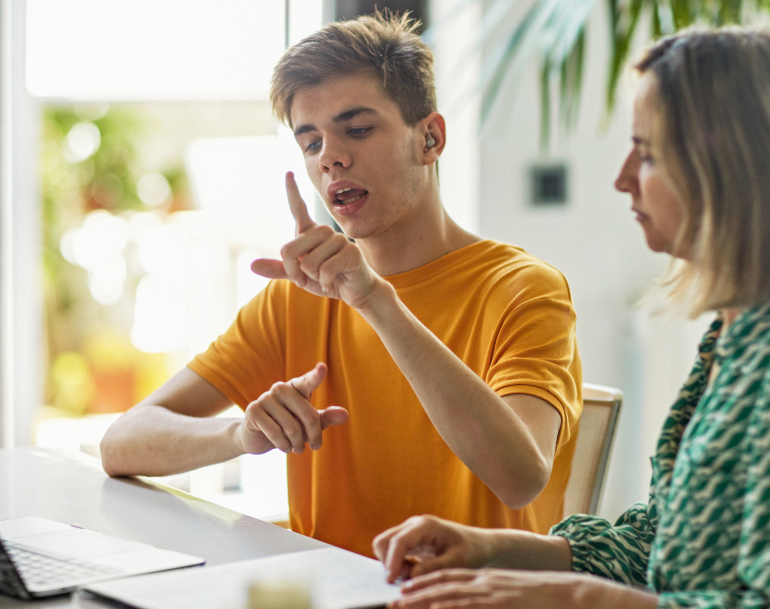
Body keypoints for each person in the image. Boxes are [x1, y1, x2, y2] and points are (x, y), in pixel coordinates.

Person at [373, 27, 770, 608]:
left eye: (651, 154)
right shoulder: (742, 332)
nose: (623, 177)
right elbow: (667, 542)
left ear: (735, 169)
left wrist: (580, 599)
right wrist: (493, 549)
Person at [99, 12, 583, 558]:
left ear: (430, 137)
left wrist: (375, 300)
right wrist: (238, 436)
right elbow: (121, 442)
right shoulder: (296, 297)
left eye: (357, 129)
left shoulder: (523, 289)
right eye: (310, 143)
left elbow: (520, 476)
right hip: (329, 593)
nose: (330, 157)